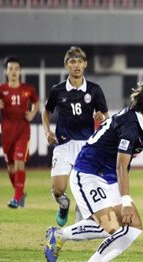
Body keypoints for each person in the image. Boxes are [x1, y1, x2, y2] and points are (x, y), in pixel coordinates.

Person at [44, 75, 143, 262]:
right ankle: (59, 235)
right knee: (108, 226)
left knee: (134, 227)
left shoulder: (138, 122)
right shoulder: (131, 128)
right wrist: (127, 201)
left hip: (108, 177)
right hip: (88, 173)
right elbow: (122, 166)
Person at [42, 46, 109, 227]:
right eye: (72, 62)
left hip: (87, 145)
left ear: (85, 64)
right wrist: (48, 131)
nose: (77, 65)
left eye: (80, 61)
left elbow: (106, 116)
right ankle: (64, 204)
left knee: (85, 186)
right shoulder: (58, 90)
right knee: (58, 189)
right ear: (66, 65)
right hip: (64, 144)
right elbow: (46, 112)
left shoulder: (94, 90)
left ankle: (81, 218)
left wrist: (101, 117)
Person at [0, 56, 40, 208]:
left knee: (19, 164)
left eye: (16, 69)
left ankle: (16, 198)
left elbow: (36, 102)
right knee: (10, 167)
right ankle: (20, 193)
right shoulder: (0, 90)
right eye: (11, 69)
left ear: (20, 71)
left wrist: (33, 113)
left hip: (23, 132)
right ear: (6, 71)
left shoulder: (28, 89)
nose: (14, 72)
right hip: (7, 133)